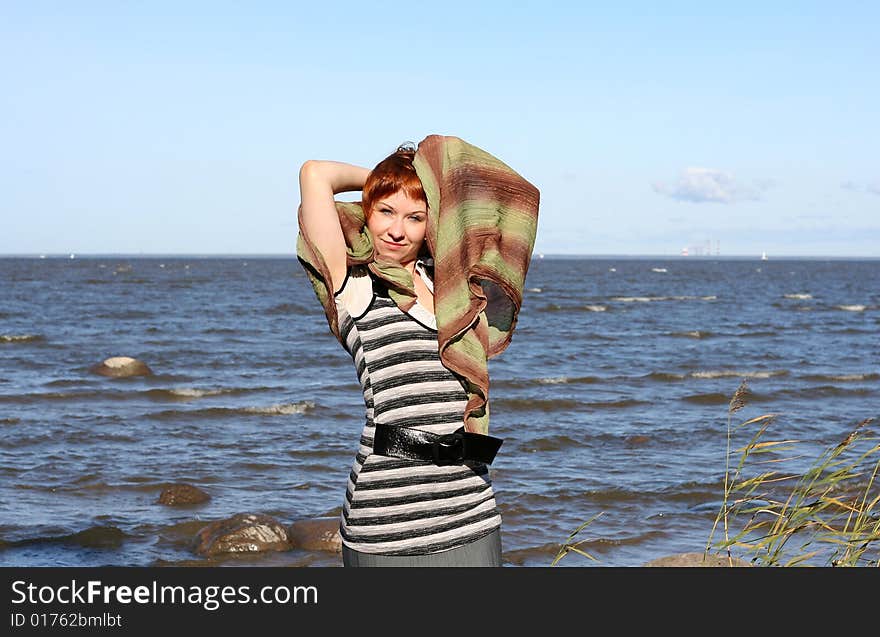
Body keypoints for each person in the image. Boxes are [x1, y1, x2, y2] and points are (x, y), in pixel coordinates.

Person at [297, 144, 507, 566]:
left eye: (415, 217)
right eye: (386, 211)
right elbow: (316, 174)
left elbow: (492, 207)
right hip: (387, 521)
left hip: (471, 508)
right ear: (367, 213)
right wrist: (391, 176)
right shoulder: (352, 284)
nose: (398, 230)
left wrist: (432, 187)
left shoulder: (453, 289)